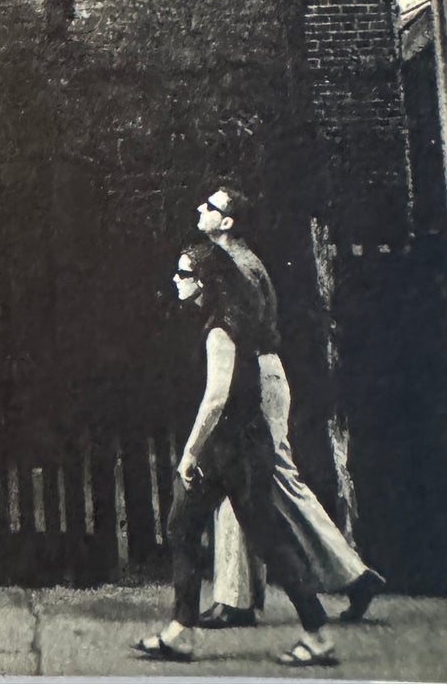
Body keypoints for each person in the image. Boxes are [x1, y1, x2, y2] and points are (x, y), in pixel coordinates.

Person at [133, 242, 336, 668]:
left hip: (234, 452)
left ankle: (313, 635)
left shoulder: (221, 330)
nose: (176, 279)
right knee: (192, 527)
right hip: (238, 448)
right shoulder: (222, 322)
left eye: (183, 274)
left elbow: (215, 399)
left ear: (203, 282)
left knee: (252, 537)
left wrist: (189, 454)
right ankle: (183, 631)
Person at [195, 185, 385, 628]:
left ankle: (346, 578)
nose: (200, 210)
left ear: (227, 222)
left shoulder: (239, 267)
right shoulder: (232, 264)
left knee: (271, 475)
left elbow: (242, 332)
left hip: (254, 377)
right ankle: (240, 598)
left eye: (210, 207)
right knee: (251, 479)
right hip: (254, 374)